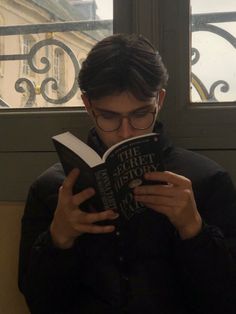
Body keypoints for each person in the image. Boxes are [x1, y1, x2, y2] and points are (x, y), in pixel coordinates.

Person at [18, 33, 236, 314]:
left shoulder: (209, 181)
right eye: (108, 116)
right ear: (88, 106)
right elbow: (39, 304)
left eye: (140, 114)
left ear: (159, 100)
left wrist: (193, 230)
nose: (125, 132)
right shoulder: (51, 190)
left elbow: (225, 301)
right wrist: (58, 239)